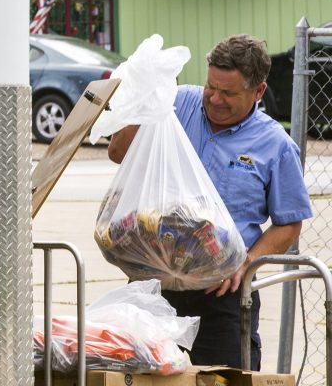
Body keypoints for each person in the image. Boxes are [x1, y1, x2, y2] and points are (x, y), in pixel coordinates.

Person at [107, 34, 313, 370]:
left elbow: (290, 221)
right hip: (153, 286)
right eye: (210, 87)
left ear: (258, 91)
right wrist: (142, 98)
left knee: (225, 377)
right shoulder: (175, 105)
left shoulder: (275, 144)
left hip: (222, 295)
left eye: (228, 93)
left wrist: (249, 261)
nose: (215, 99)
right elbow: (118, 153)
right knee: (145, 377)